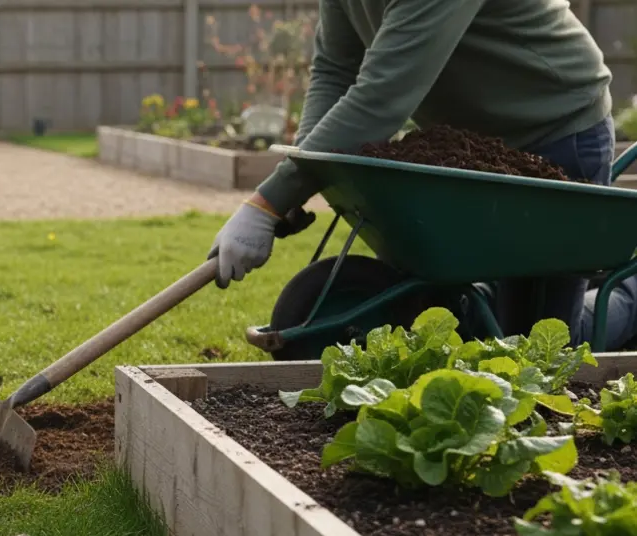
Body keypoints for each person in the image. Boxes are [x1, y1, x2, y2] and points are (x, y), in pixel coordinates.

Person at [209, 0, 614, 345]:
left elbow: (381, 96)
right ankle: (486, 300)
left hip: (556, 132)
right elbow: (335, 68)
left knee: (544, 344)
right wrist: (300, 172)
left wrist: (267, 202)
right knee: (486, 331)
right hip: (473, 152)